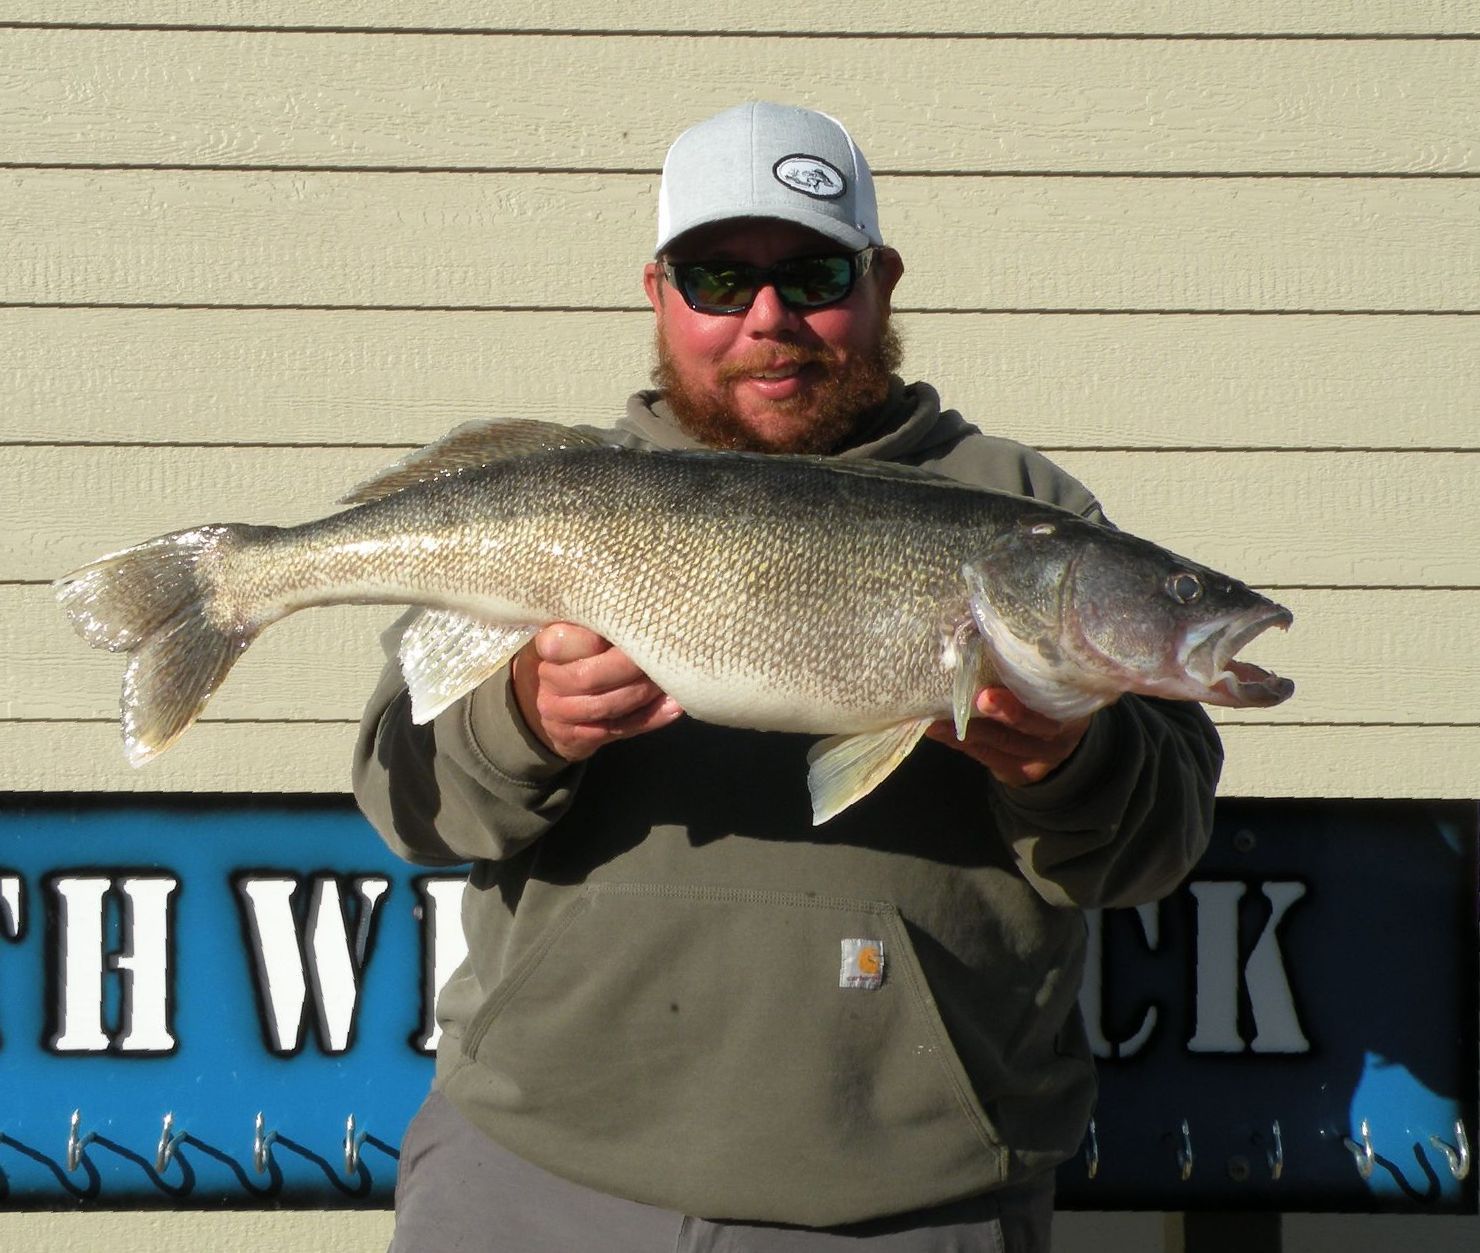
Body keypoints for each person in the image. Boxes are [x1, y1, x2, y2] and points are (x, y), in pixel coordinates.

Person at [355, 101, 1222, 1252]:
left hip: (905, 1205)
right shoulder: (558, 499)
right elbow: (409, 805)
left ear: (881, 282)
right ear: (658, 293)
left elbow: (1151, 847)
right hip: (529, 1179)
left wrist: (1065, 761)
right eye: (718, 278)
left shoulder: (1022, 515)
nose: (768, 317)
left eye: (813, 273)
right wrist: (523, 720)